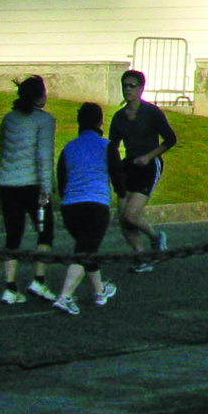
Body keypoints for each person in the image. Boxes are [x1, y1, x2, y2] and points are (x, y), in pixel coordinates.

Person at [0, 74, 56, 306]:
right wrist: (47, 188)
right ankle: (39, 280)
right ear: (39, 97)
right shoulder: (45, 121)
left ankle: (10, 287)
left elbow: (2, 151)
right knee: (45, 233)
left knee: (13, 235)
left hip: (8, 184)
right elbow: (44, 156)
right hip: (32, 185)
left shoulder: (8, 119)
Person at [108, 68, 178, 268]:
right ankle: (142, 257)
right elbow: (112, 146)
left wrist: (149, 157)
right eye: (125, 86)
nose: (128, 90)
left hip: (149, 165)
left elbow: (171, 139)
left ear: (141, 88)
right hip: (129, 166)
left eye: (132, 86)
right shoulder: (119, 117)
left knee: (131, 214)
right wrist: (115, 169)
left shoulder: (151, 112)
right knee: (123, 219)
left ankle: (156, 238)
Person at [52, 102, 118, 313]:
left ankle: (100, 291)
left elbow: (61, 178)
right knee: (85, 250)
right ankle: (65, 296)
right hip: (96, 204)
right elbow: (118, 176)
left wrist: (66, 199)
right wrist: (123, 193)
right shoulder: (106, 145)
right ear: (100, 122)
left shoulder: (69, 147)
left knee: (87, 247)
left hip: (70, 206)